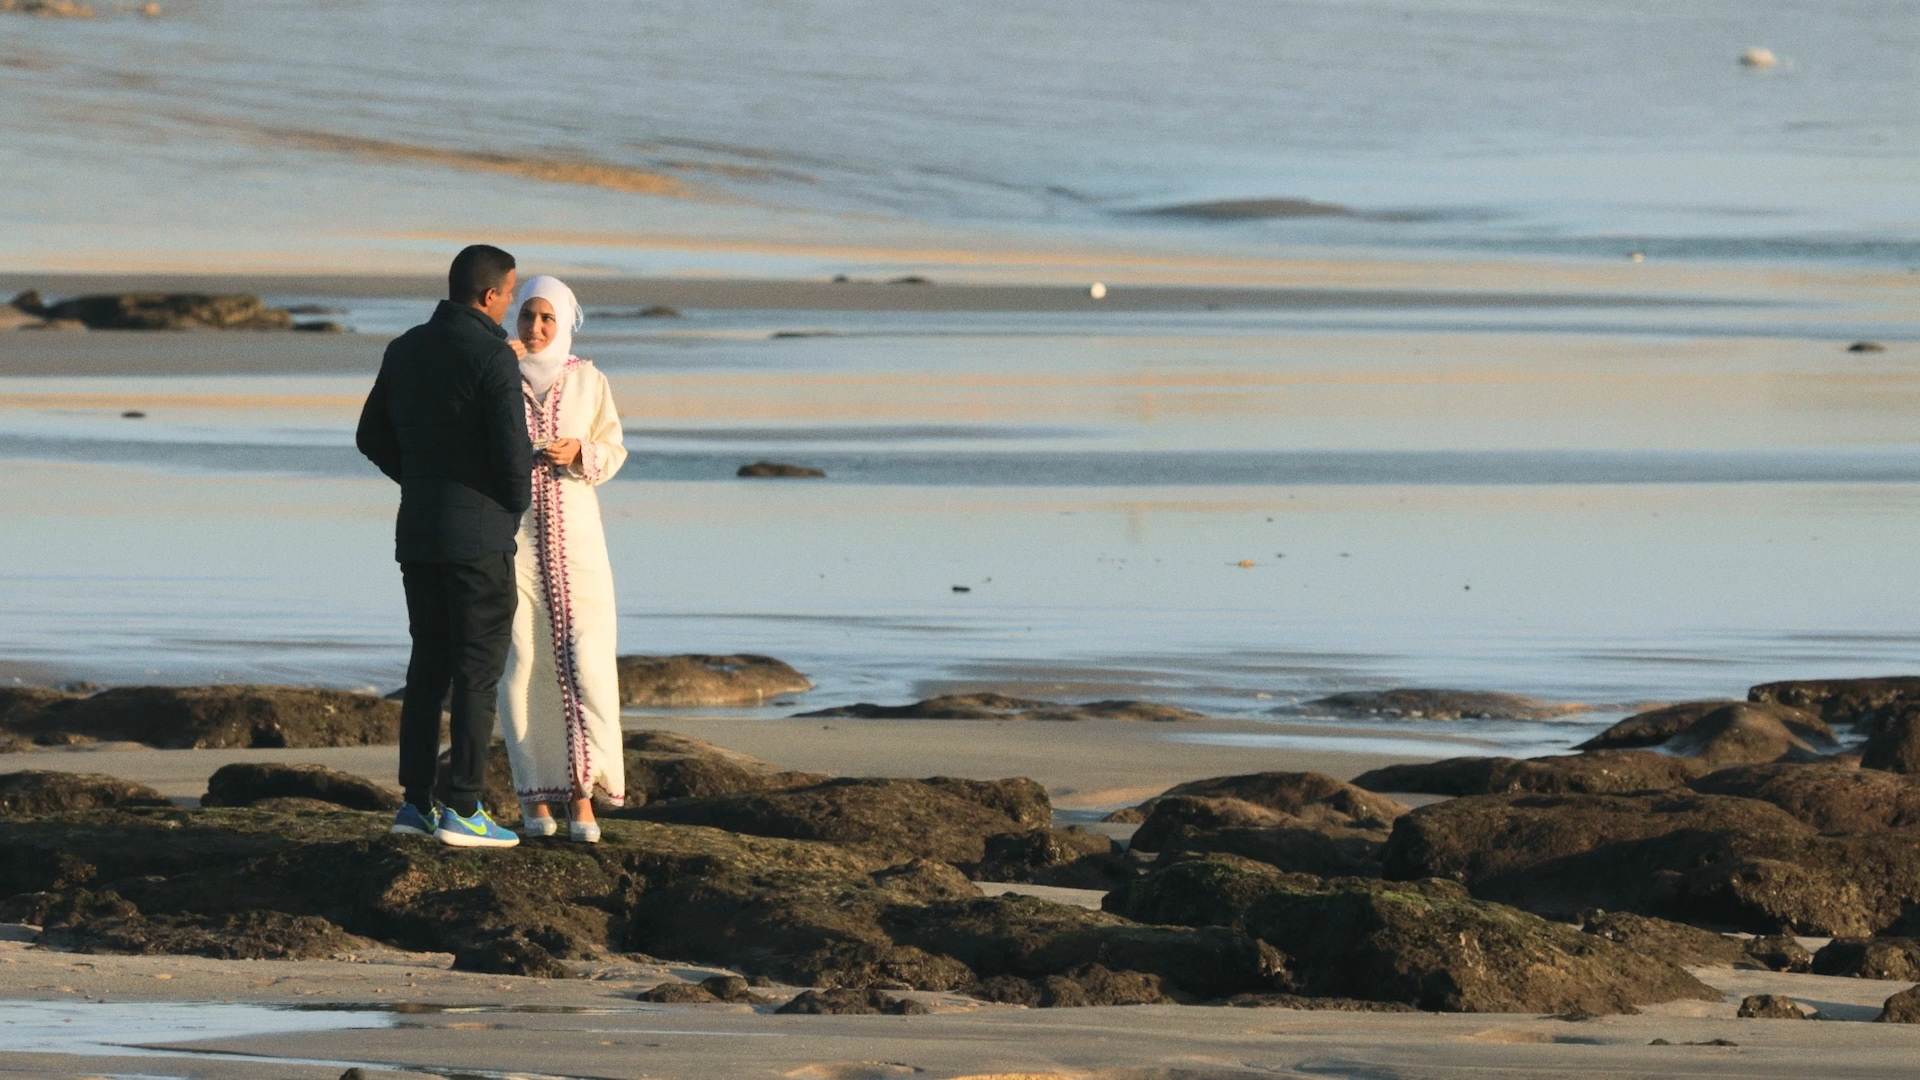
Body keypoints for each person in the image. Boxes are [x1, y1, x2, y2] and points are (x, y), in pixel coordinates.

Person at [356, 244, 533, 848]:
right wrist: (509, 505)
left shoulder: (405, 347)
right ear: (489, 295)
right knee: (477, 674)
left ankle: (414, 805)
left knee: (427, 668)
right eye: (510, 293)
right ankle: (464, 807)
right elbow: (512, 455)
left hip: (420, 531)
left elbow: (370, 435)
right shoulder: (491, 355)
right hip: (478, 537)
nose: (511, 303)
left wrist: (419, 479)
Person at [497, 275, 628, 842]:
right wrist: (493, 366)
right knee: (523, 664)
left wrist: (580, 452)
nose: (535, 327)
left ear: (566, 322)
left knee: (587, 661)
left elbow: (614, 450)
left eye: (548, 317)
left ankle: (584, 797)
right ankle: (535, 801)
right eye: (527, 315)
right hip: (515, 540)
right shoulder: (496, 375)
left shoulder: (589, 380)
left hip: (578, 542)